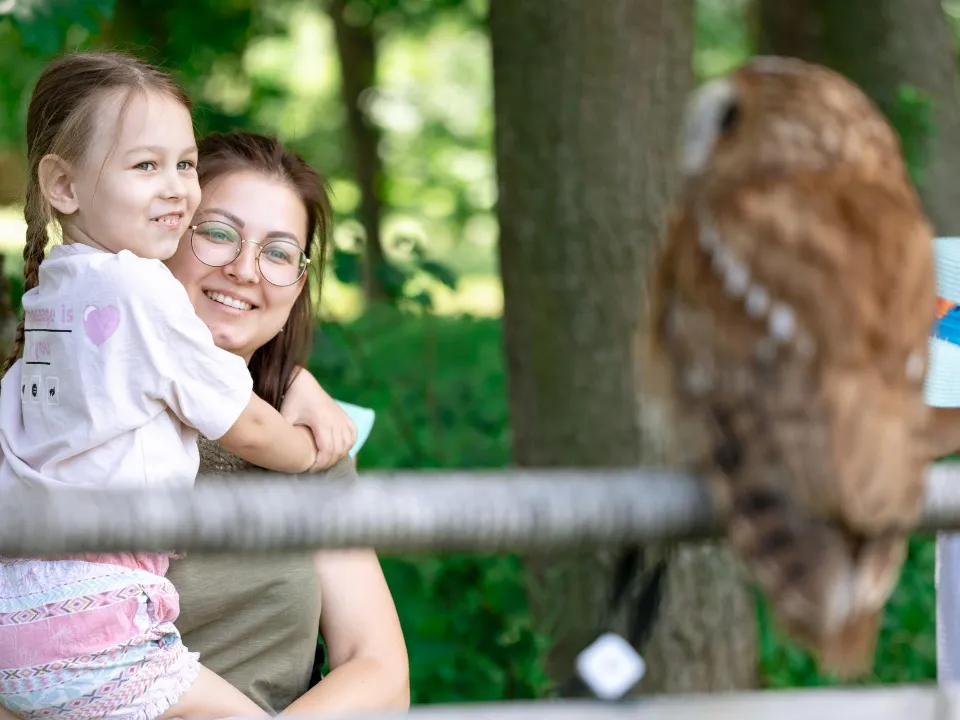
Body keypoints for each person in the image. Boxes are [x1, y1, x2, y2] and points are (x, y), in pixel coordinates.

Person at [0, 51, 343, 720]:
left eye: (185, 164)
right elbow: (248, 426)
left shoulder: (53, 299)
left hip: (22, 608)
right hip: (97, 617)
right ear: (64, 185)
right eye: (144, 166)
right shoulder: (139, 289)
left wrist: (296, 378)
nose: (176, 188)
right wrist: (306, 453)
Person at [163, 130, 410, 716]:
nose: (244, 269)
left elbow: (378, 667)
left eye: (277, 253)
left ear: (297, 286)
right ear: (163, 236)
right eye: (218, 233)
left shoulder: (307, 442)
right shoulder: (71, 419)